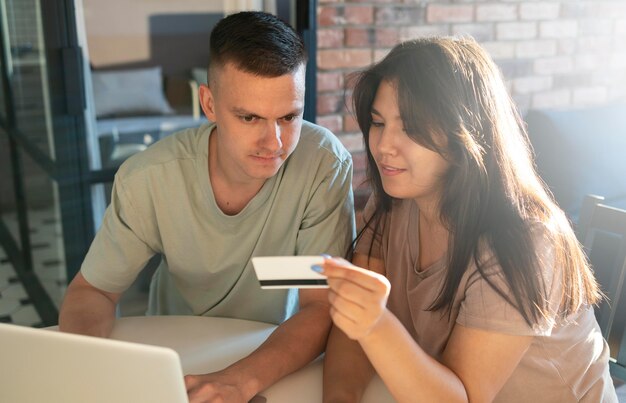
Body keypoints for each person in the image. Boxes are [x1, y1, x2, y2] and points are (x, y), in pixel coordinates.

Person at [59, 11, 355, 402]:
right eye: (249, 117)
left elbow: (319, 307)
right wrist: (87, 374)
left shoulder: (323, 165)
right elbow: (93, 292)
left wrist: (239, 380)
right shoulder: (149, 178)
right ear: (209, 104)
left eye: (289, 116)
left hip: (276, 357)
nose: (275, 143)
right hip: (173, 359)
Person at [316, 37, 618, 402]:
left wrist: (376, 325)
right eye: (378, 123)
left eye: (410, 127)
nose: (383, 146)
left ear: (466, 133)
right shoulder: (391, 204)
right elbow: (352, 333)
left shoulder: (525, 240)